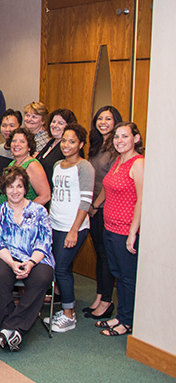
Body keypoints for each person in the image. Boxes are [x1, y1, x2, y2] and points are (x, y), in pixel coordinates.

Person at [0, 166, 55, 351]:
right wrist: (12, 262)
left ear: (25, 188)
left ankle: (10, 328)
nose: (15, 191)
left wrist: (31, 263)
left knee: (42, 277)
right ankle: (9, 329)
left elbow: (45, 241)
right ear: (4, 189)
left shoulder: (39, 211)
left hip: (34, 257)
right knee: (0, 276)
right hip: (4, 256)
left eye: (19, 186)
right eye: (10, 187)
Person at [93, 122, 144, 337]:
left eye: (125, 136)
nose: (119, 140)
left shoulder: (138, 163)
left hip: (126, 230)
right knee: (117, 274)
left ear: (136, 138)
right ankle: (121, 316)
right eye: (116, 137)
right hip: (109, 227)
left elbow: (142, 200)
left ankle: (128, 322)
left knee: (127, 278)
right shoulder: (117, 161)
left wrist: (133, 232)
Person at [44, 124, 93, 332]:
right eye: (64, 140)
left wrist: (74, 230)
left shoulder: (84, 167)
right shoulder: (57, 165)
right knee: (59, 267)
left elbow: (85, 201)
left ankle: (69, 315)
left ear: (80, 144)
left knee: (62, 268)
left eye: (72, 141)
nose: (66, 145)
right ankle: (65, 308)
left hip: (74, 227)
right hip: (55, 223)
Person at [84, 106, 122, 319]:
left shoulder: (116, 149)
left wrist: (95, 206)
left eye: (108, 119)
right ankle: (100, 297)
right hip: (94, 208)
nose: (103, 122)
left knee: (106, 256)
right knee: (100, 254)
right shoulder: (97, 146)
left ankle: (106, 302)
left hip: (104, 208)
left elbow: (109, 183)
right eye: (100, 118)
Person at [0, 127, 51, 206]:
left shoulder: (33, 165)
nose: (16, 144)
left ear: (29, 147)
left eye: (22, 141)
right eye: (14, 141)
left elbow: (45, 196)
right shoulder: (12, 164)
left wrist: (25, 211)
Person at [36, 109, 78, 189]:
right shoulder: (51, 142)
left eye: (60, 123)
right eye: (53, 122)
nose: (55, 125)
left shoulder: (69, 148)